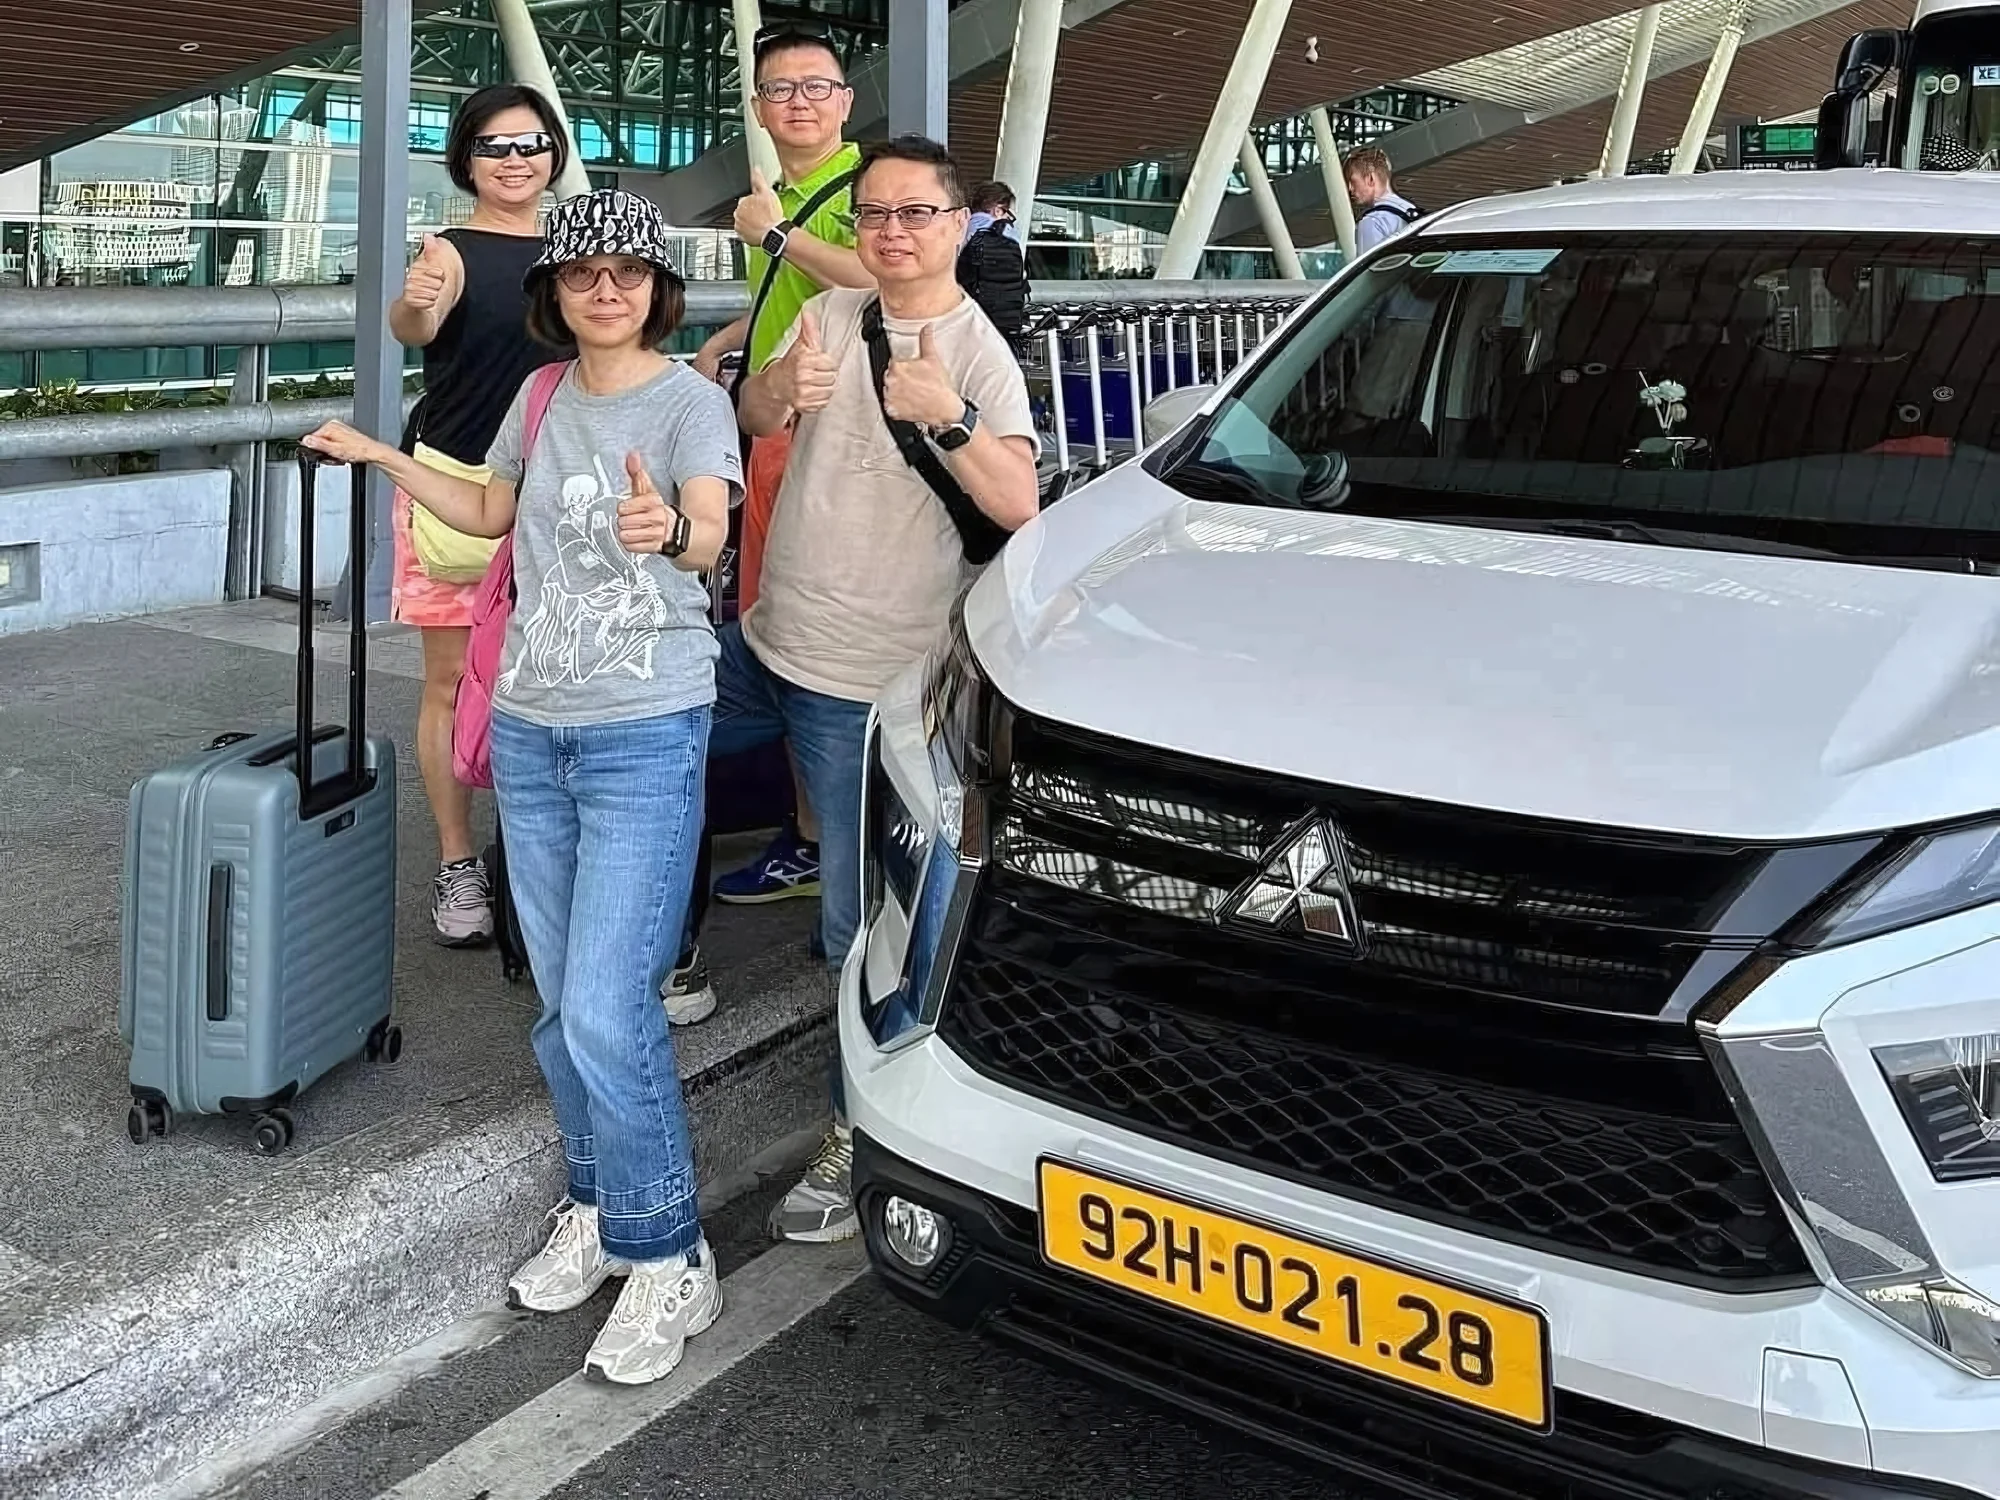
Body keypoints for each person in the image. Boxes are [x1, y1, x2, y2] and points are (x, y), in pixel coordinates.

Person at [303, 189, 741, 1383]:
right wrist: (383, 455)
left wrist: (668, 531)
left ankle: (669, 1251)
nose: (606, 290)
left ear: (657, 290)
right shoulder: (540, 395)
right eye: (582, 274)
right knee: (557, 1001)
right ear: (551, 291)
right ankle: (598, 1204)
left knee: (607, 1002)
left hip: (643, 728)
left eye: (628, 273)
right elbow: (491, 512)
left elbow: (707, 532)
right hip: (535, 731)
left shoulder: (690, 403)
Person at [734, 135, 1041, 1243]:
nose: (892, 231)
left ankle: (852, 1133)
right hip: (770, 638)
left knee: (856, 926)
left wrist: (946, 416)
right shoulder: (828, 314)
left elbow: (1020, 504)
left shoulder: (977, 350)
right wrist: (776, 388)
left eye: (916, 213)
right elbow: (754, 418)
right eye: (874, 214)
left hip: (872, 675)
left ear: (957, 225)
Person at [672, 25, 873, 993]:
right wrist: (730, 341)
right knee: (768, 621)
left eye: (815, 86)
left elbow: (879, 277)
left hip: (840, 441)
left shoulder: (859, 186)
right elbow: (792, 295)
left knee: (812, 640)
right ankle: (808, 836)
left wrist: (775, 235)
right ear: (757, 106)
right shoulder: (781, 197)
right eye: (779, 89)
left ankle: (842, 850)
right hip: (775, 427)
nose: (798, 101)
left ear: (845, 100)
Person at [387, 84, 565, 950]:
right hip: (453, 485)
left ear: (553, 153)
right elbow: (413, 324)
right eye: (495, 146)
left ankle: (536, 853)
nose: (514, 159)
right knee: (453, 679)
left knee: (557, 676)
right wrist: (417, 301)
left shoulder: (577, 250)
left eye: (530, 143)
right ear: (466, 160)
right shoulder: (449, 250)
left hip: (562, 491)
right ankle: (458, 860)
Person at [957, 181, 1030, 354]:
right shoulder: (1008, 232)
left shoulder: (960, 229)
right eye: (1007, 212)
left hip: (972, 316)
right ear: (998, 210)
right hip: (1007, 320)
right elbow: (1021, 274)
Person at [1345, 145, 1422, 254]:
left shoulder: (1372, 222)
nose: (1350, 188)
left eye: (1353, 181)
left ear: (1370, 179)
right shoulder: (1410, 209)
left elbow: (1370, 264)